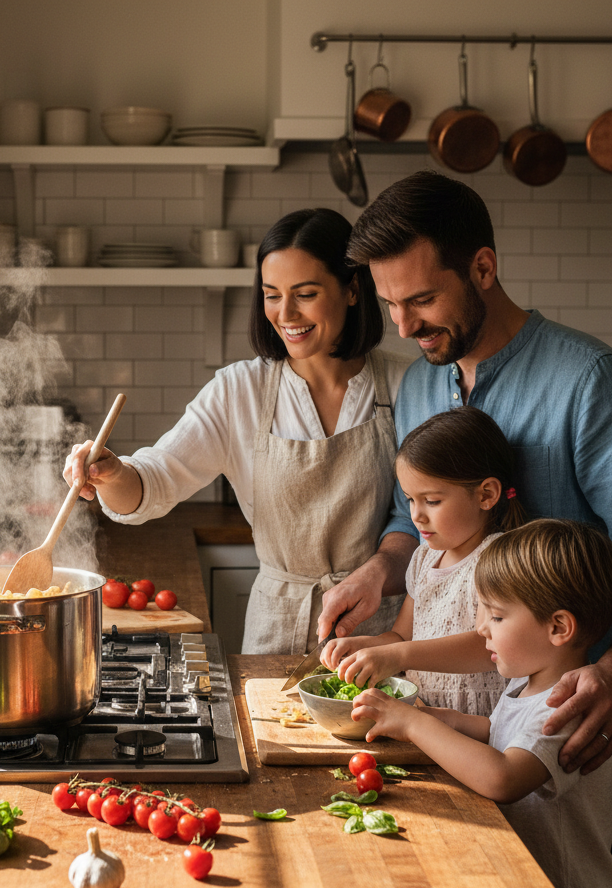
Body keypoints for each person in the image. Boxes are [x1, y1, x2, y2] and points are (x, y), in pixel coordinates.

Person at [317, 170, 612, 851]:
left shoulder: (589, 381)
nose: (405, 326)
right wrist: (380, 570)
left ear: (483, 269)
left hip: (564, 718)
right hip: (454, 722)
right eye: (390, 304)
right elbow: (414, 525)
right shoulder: (420, 386)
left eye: (424, 299)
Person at [62, 208, 413, 655]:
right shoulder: (239, 390)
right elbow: (155, 480)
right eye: (271, 295)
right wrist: (112, 474)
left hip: (381, 637)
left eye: (305, 294)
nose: (285, 314)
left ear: (352, 290)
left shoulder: (407, 385)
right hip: (276, 633)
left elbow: (428, 523)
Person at [351, 519, 612, 888]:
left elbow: (505, 776)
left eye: (497, 616)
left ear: (558, 627)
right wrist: (444, 720)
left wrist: (414, 724)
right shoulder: (529, 684)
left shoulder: (564, 708)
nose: (481, 627)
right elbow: (500, 733)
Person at [321, 405, 526, 716]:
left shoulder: (499, 560)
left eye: (432, 501)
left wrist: (399, 656)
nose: (416, 515)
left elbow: (488, 647)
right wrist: (367, 645)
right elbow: (403, 635)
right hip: (423, 712)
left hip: (475, 722)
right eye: (410, 500)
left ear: (486, 495)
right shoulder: (424, 560)